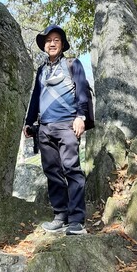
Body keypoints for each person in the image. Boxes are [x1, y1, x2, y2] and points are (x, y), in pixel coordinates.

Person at [24, 24, 89, 235]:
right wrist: (29, 122)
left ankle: (77, 219)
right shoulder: (42, 70)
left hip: (68, 126)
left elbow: (82, 92)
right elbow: (36, 97)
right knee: (52, 171)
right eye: (48, 40)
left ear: (62, 44)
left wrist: (81, 117)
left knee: (72, 169)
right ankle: (60, 215)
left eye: (56, 40)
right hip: (45, 129)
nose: (51, 43)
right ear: (44, 45)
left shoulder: (73, 64)